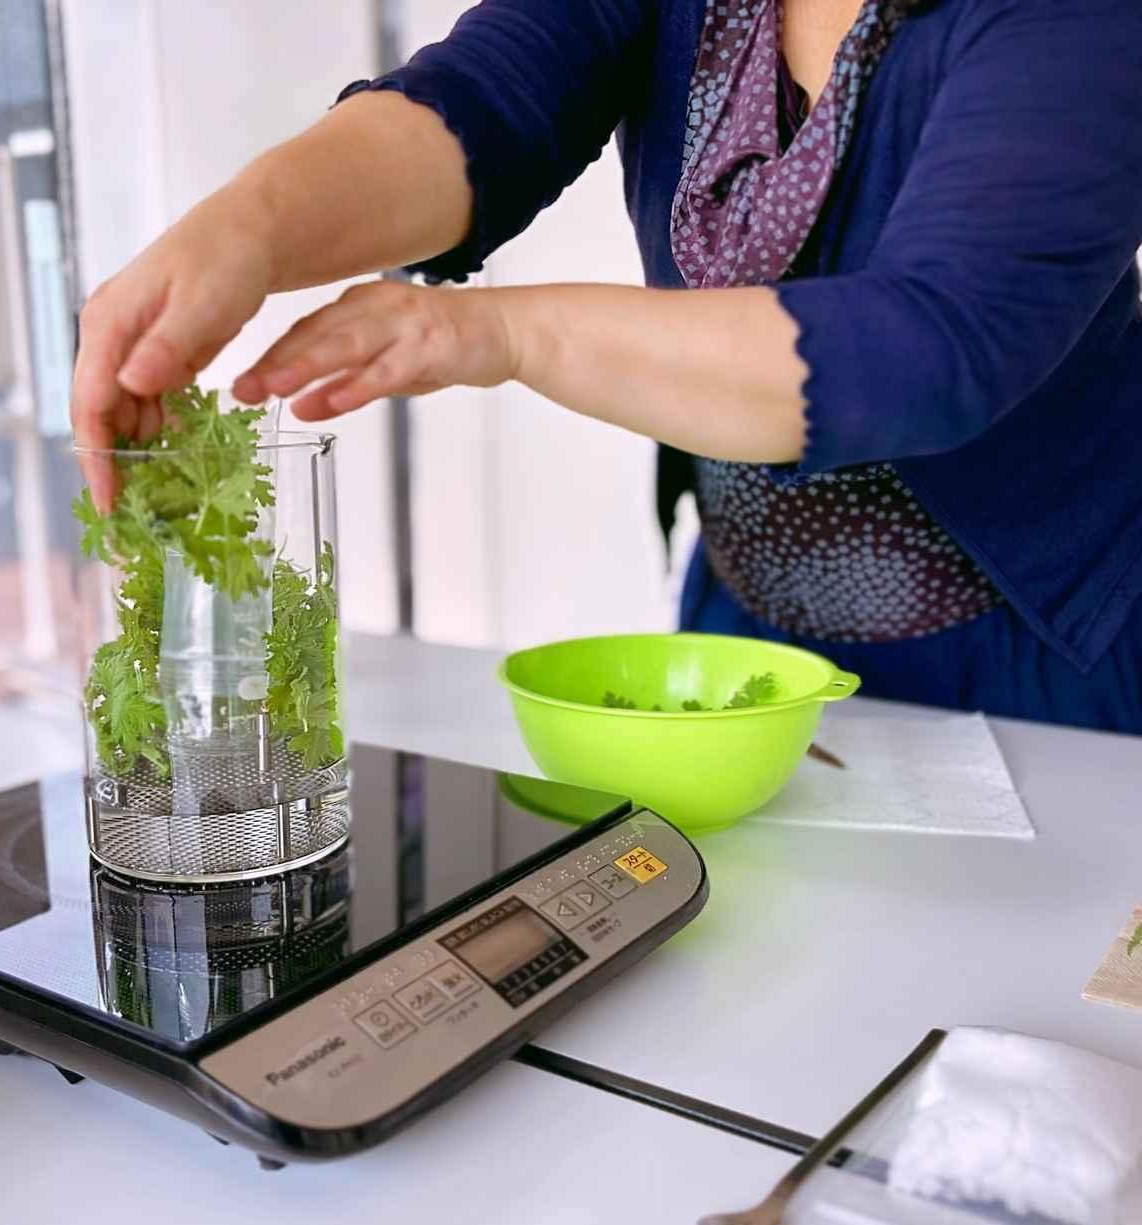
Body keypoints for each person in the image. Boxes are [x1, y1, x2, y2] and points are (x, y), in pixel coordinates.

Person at [71, 0, 1142, 734]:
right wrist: (242, 233)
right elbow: (483, 103)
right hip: (744, 627)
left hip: (1046, 650)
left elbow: (933, 346)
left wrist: (503, 335)